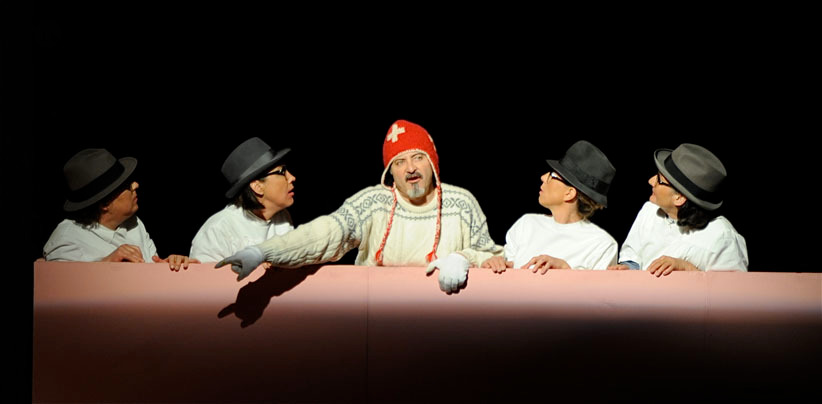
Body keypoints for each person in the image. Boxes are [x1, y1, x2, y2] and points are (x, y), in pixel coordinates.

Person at [216, 119, 503, 294]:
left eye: (418, 157)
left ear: (432, 162)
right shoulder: (373, 202)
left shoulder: (461, 203)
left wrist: (465, 258)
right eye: (399, 162)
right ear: (390, 173)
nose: (410, 168)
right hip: (379, 322)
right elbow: (326, 232)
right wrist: (262, 251)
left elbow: (495, 259)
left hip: (445, 325)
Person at [43, 148, 197, 271]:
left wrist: (168, 266)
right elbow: (61, 290)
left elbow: (150, 274)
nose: (135, 185)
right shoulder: (67, 239)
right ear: (105, 204)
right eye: (126, 186)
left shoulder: (134, 223)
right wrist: (106, 264)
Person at [608, 143, 748, 276]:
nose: (651, 181)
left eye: (659, 180)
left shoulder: (722, 237)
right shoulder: (650, 210)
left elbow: (732, 290)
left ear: (679, 197)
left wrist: (687, 269)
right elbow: (633, 256)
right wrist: (629, 268)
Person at [481, 140, 618, 274]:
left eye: (552, 176)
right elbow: (508, 271)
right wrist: (496, 264)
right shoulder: (526, 224)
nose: (543, 177)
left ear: (569, 193)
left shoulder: (602, 245)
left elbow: (600, 289)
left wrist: (566, 271)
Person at [189, 137, 295, 262]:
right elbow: (201, 273)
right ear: (257, 187)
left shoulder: (282, 217)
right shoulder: (217, 230)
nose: (292, 177)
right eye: (282, 172)